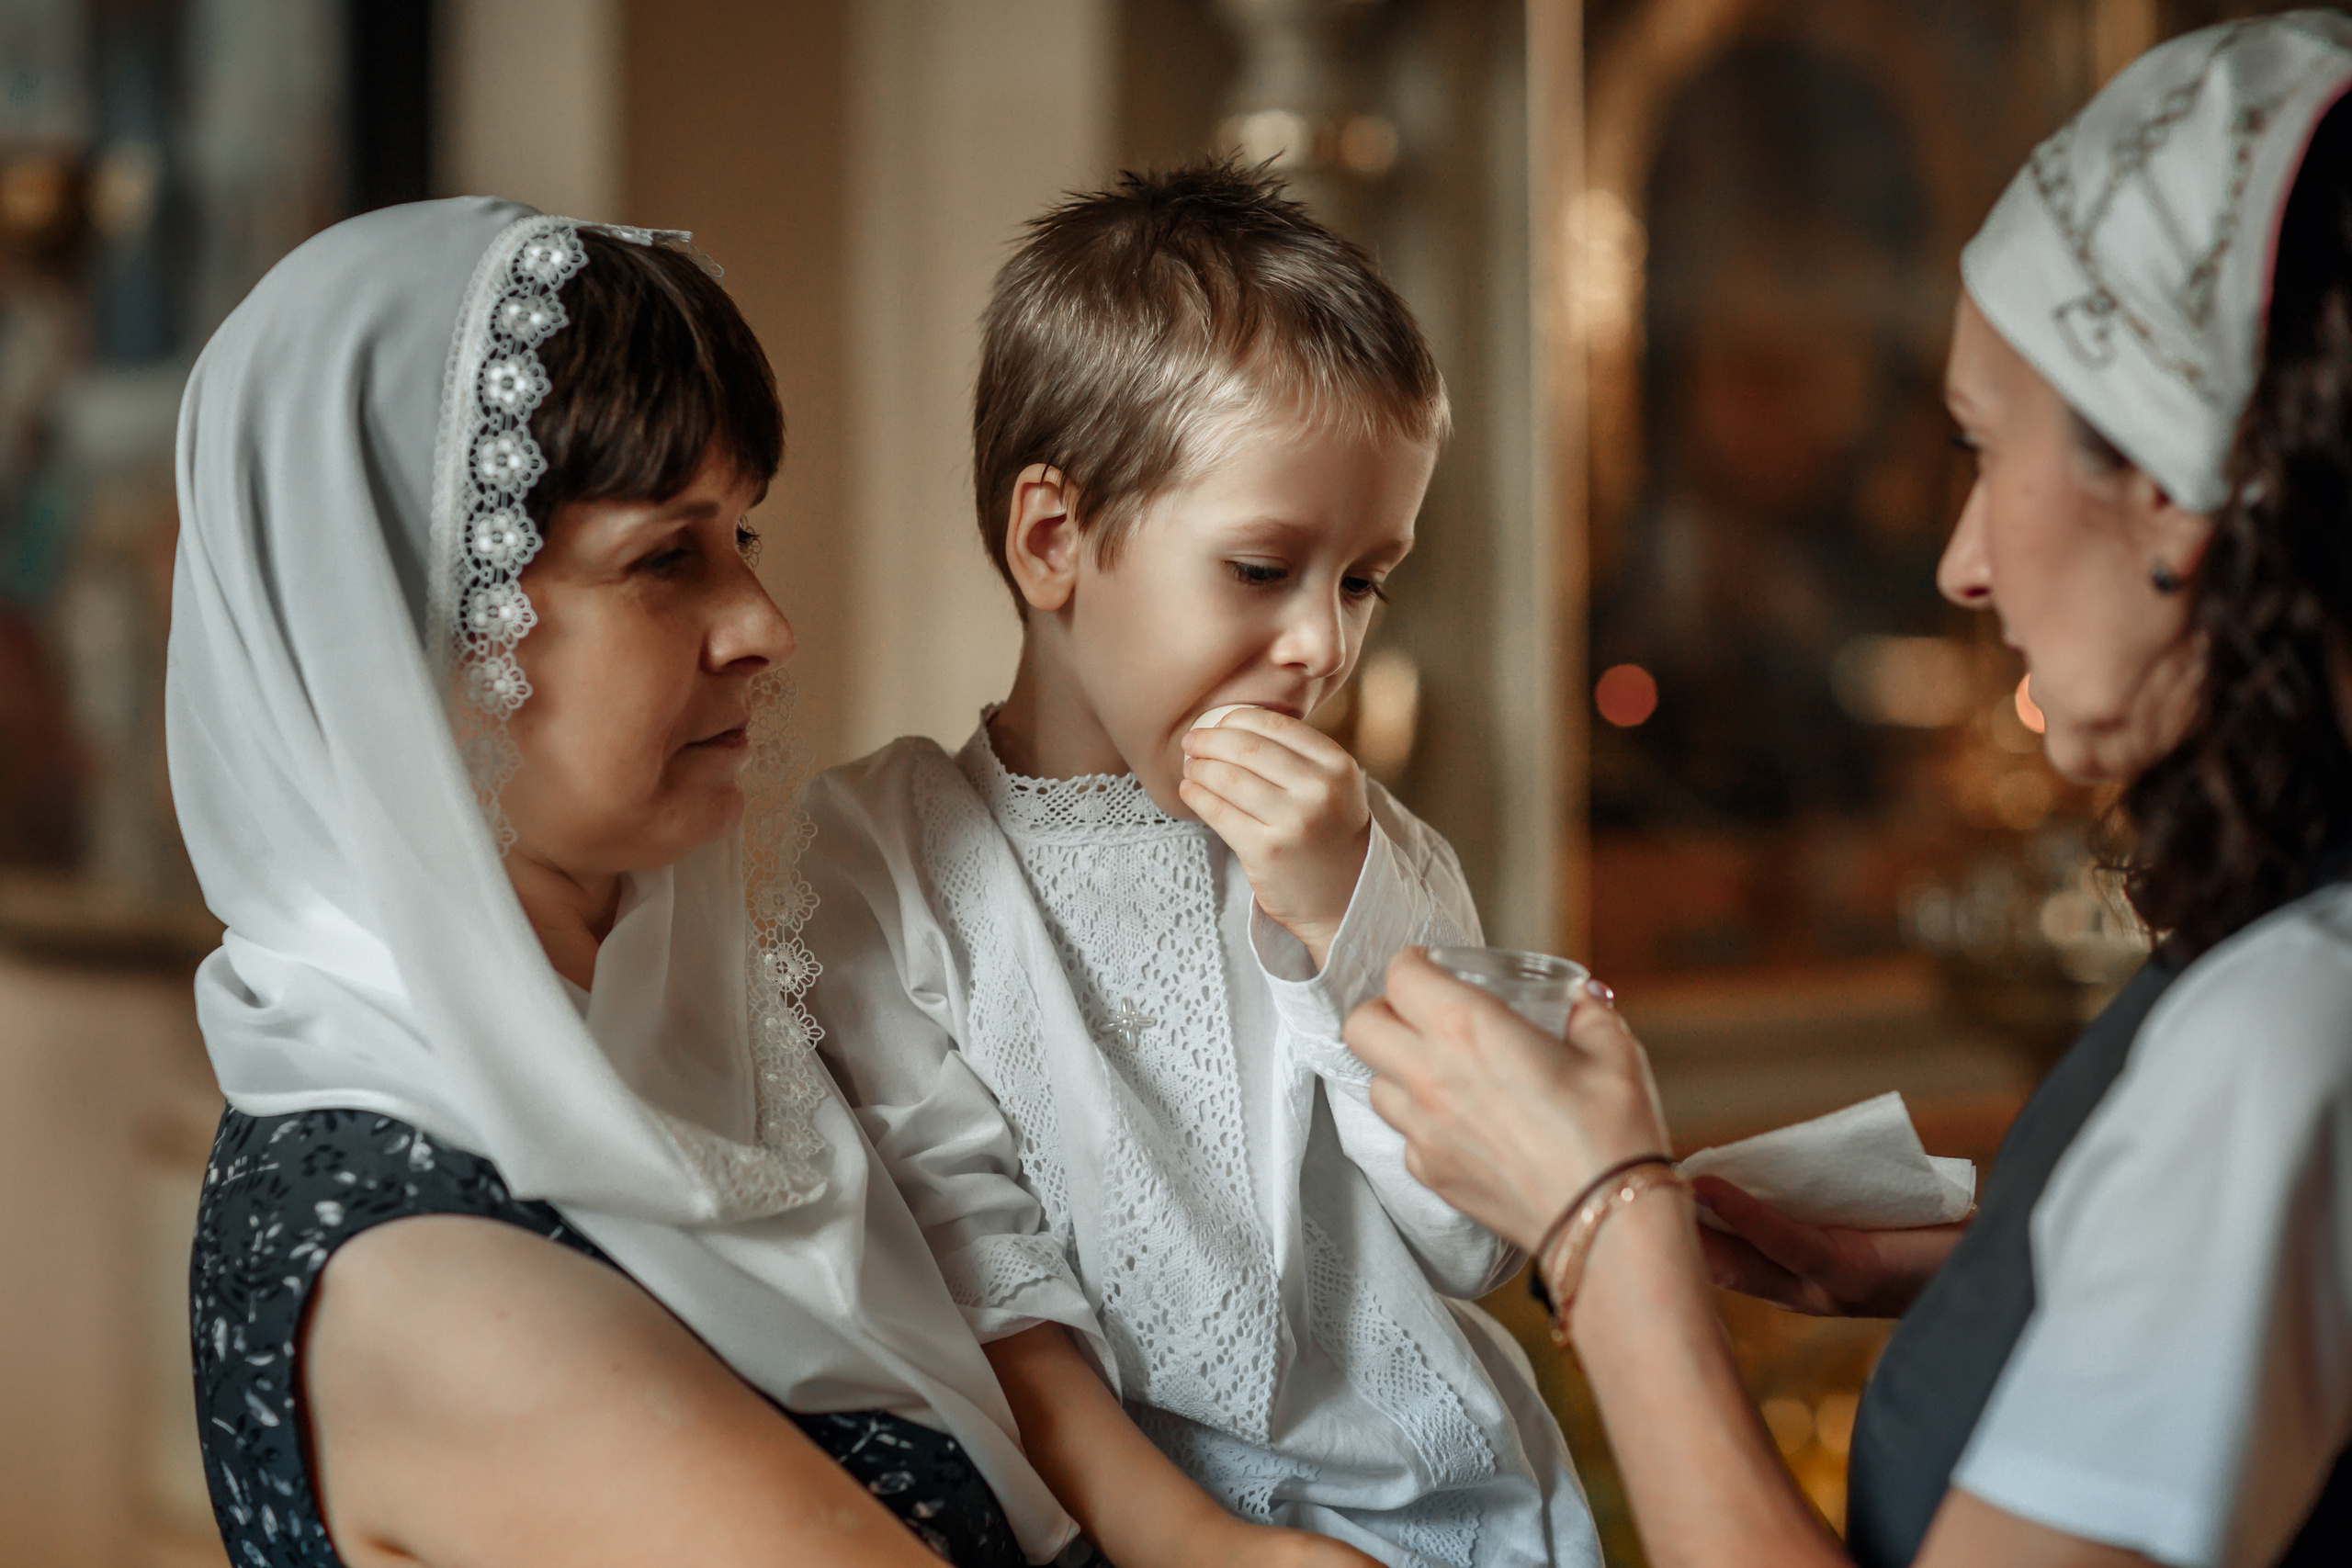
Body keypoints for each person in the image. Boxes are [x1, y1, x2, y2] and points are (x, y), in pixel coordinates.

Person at [172, 197, 1348, 1568]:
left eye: (747, 539)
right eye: (667, 556)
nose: (763, 628)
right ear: (397, 633)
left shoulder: (700, 1046)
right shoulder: (424, 1277)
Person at [1346, 16, 2352, 1568]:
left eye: (1982, 446)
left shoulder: (2285, 1027)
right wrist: (1981, 1273)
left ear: (2167, 484)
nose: (1958, 561)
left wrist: (1600, 1223)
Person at [797, 160, 1600, 1568]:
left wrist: (1339, 926)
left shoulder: (1368, 851)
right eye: (1261, 568)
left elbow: (1478, 1247)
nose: (1325, 647)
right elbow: (968, 1266)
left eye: (1363, 579)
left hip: (1455, 1521)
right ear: (1055, 540)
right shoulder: (884, 851)